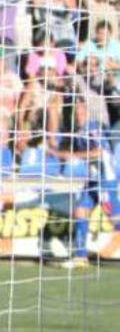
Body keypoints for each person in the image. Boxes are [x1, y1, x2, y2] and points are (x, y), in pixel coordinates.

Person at [49, 106, 118, 269]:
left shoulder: (93, 128)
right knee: (80, 211)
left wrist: (75, 156)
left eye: (81, 113)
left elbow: (101, 151)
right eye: (77, 114)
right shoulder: (78, 132)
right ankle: (81, 256)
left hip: (105, 180)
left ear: (87, 113)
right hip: (93, 180)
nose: (79, 116)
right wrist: (55, 152)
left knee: (115, 219)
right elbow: (68, 152)